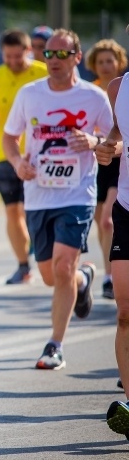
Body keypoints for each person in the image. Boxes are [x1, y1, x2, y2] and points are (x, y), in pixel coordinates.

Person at [3, 29, 114, 371]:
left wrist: (93, 141)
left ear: (77, 58)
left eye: (61, 55)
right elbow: (10, 138)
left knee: (63, 266)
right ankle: (84, 280)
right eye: (48, 54)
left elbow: (115, 144)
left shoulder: (94, 97)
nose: (53, 60)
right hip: (38, 195)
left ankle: (55, 344)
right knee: (52, 276)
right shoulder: (29, 94)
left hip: (77, 194)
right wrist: (18, 162)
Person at [0, 29, 48, 284]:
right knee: (11, 211)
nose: (14, 61)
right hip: (4, 154)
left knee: (32, 211)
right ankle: (22, 265)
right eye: (8, 56)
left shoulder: (43, 72)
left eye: (18, 55)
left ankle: (41, 252)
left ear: (28, 51)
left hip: (41, 155)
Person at [97, 51, 129, 437]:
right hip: (126, 207)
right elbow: (119, 135)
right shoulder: (118, 88)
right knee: (124, 312)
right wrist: (109, 147)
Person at [85, 39, 128, 299]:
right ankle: (108, 271)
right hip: (98, 160)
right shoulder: (92, 91)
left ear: (119, 61)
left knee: (107, 220)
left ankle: (111, 277)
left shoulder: (120, 87)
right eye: (100, 62)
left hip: (118, 164)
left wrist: (111, 144)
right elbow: (115, 126)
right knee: (100, 222)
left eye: (109, 61)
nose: (105, 66)